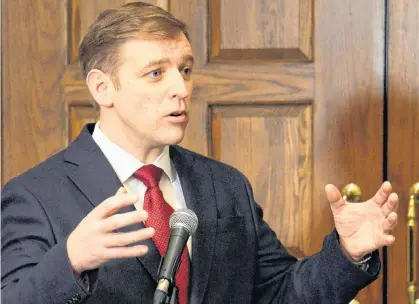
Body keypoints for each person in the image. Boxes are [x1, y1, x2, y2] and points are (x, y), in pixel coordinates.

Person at [1, 2, 399, 304]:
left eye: (185, 70)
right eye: (156, 73)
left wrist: (348, 253)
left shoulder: (224, 185)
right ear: (103, 88)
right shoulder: (35, 195)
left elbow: (281, 292)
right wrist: (70, 260)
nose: (181, 88)